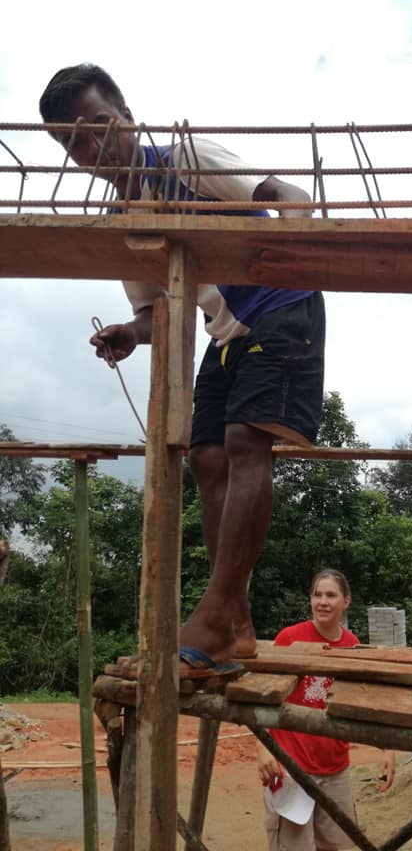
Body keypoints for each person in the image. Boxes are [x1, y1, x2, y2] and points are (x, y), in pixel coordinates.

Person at [39, 64, 325, 667]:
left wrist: (305, 246)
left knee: (246, 442)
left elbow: (286, 197)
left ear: (128, 118)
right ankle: (236, 622)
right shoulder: (127, 217)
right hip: (225, 330)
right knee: (206, 457)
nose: (89, 148)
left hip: (280, 304)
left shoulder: (186, 158)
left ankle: (215, 615)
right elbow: (156, 310)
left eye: (98, 126)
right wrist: (130, 333)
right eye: (71, 143)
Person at [257, 569, 395, 851]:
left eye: (331, 595)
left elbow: (363, 703)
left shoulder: (352, 646)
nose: (323, 602)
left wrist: (387, 747)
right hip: (290, 769)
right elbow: (260, 696)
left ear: (346, 601)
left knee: (340, 846)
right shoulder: (290, 639)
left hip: (335, 772)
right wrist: (263, 750)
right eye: (317, 595)